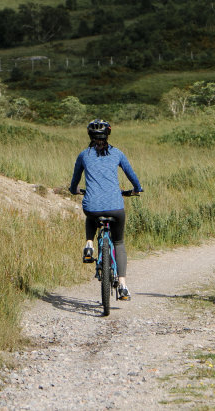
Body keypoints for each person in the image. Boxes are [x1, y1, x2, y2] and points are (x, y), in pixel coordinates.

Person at [68, 118, 142, 300]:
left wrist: (75, 191)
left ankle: (89, 244)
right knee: (119, 243)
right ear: (108, 134)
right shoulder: (117, 153)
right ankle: (123, 285)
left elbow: (74, 183)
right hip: (116, 207)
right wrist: (136, 189)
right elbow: (132, 176)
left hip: (92, 207)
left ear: (90, 136)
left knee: (91, 214)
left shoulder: (83, 155)